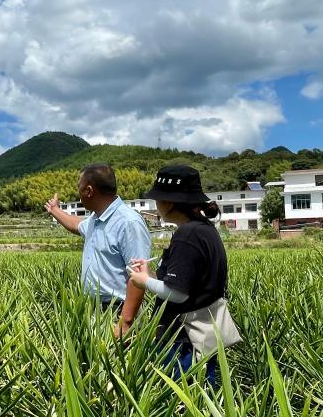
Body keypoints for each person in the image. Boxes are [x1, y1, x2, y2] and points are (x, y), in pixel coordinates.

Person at [127, 164, 227, 383]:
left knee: (181, 404)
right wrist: (151, 275)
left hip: (182, 342)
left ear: (169, 202)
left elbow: (178, 294)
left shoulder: (187, 235)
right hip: (204, 335)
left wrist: (142, 281)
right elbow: (188, 284)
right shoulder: (205, 230)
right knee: (202, 398)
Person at [44, 164, 153, 337]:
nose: (78, 195)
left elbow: (139, 275)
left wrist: (125, 322)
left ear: (88, 190)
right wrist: (55, 210)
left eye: (79, 189)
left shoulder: (128, 222)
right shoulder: (96, 219)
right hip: (94, 310)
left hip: (118, 311)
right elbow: (76, 225)